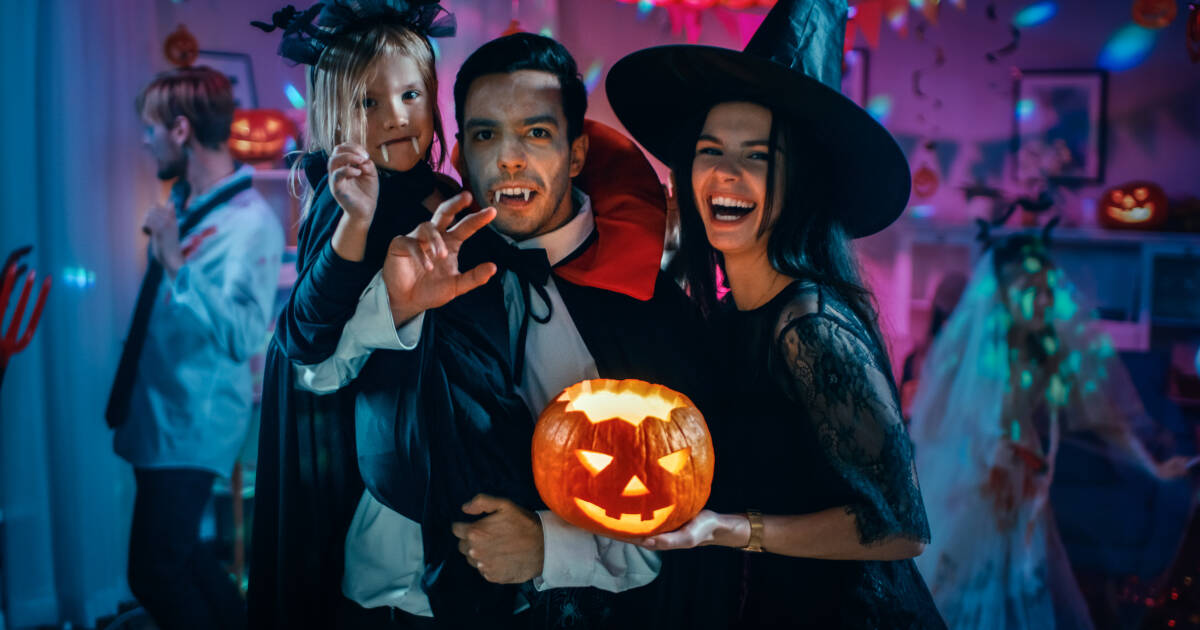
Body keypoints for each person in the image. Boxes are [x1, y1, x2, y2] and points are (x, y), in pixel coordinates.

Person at [291, 32, 704, 627]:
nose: (510, 158)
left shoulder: (646, 302)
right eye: (485, 134)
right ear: (460, 154)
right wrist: (396, 309)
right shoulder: (424, 249)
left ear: (578, 153)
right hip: (400, 599)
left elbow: (684, 496)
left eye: (537, 133)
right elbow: (317, 373)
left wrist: (548, 547)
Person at [605, 0, 946, 627]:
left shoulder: (809, 327)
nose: (727, 174)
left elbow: (901, 527)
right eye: (711, 151)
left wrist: (730, 530)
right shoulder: (731, 315)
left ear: (799, 184)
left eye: (757, 156)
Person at [245, 1, 458, 628]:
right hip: (348, 453)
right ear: (337, 116)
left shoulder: (446, 194)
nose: (396, 116)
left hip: (433, 435)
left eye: (411, 94)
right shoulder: (339, 203)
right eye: (368, 103)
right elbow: (306, 338)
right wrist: (356, 221)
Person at [907, 223, 1191, 630]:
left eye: (1046, 289)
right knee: (961, 588)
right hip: (973, 486)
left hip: (1024, 484)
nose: (1043, 299)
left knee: (1023, 583)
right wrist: (992, 450)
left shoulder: (1049, 353)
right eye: (1030, 289)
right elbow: (937, 421)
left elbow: (1105, 416)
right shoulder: (976, 353)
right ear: (1004, 294)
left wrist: (1151, 464)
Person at [107, 65, 284, 630]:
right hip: (159, 413)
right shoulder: (185, 205)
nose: (145, 139)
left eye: (152, 128)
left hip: (193, 419)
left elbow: (242, 335)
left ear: (181, 130)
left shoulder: (250, 223)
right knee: (182, 560)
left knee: (153, 573)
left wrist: (176, 264)